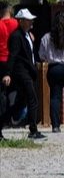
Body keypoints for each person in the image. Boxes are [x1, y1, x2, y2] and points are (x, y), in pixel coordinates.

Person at [3, 9, 44, 139]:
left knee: (21, 102)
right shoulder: (16, 36)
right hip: (21, 73)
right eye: (28, 20)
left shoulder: (27, 35)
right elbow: (13, 56)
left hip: (28, 72)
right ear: (20, 21)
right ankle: (33, 130)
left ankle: (10, 117)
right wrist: (8, 73)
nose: (31, 22)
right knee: (33, 100)